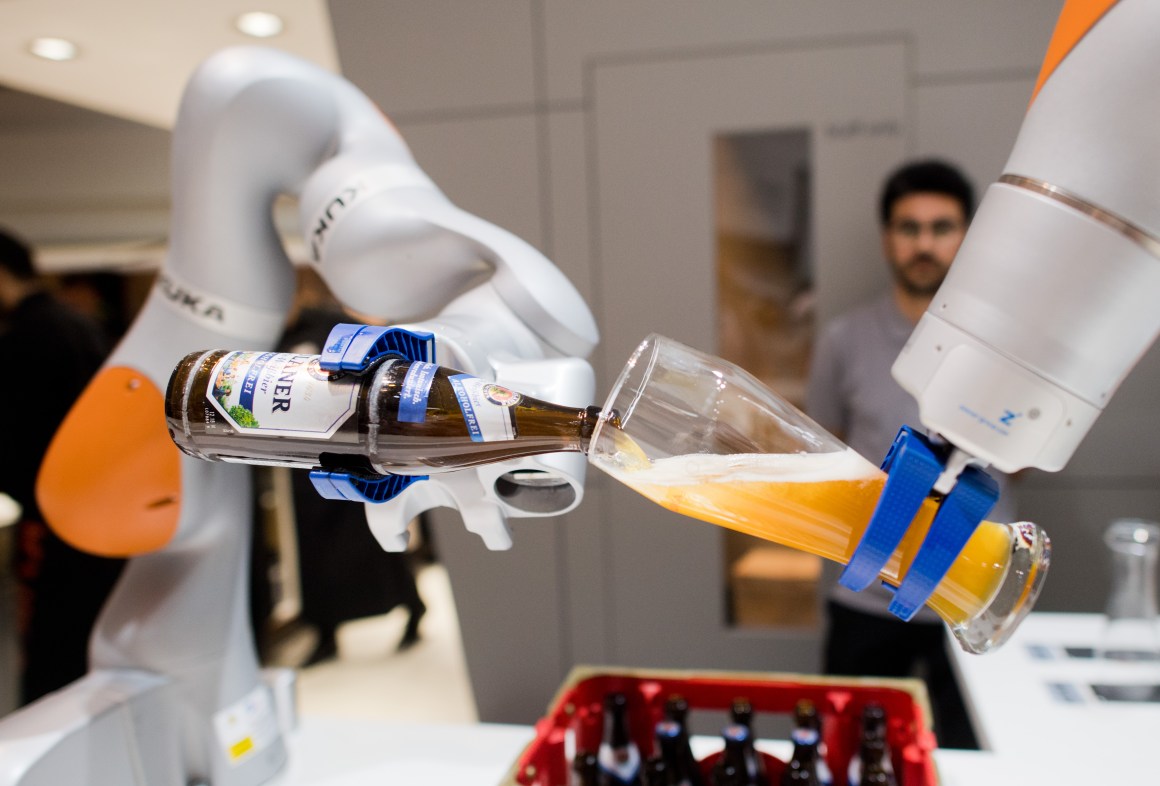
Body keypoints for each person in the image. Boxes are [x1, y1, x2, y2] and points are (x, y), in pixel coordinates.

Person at [806, 160, 1016, 749]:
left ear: (967, 236)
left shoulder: (1007, 348)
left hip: (970, 596)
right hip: (867, 598)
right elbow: (821, 454)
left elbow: (1025, 461)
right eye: (909, 227)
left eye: (941, 227)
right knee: (850, 754)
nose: (924, 243)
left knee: (972, 763)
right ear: (887, 237)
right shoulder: (843, 340)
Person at [0, 227, 125, 705]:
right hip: (98, 520)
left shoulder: (26, 340)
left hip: (55, 518)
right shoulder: (77, 326)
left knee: (55, 654)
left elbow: (16, 446)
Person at [274, 277, 427, 666]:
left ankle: (411, 606)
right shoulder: (281, 336)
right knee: (316, 550)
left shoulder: (333, 328)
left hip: (348, 450)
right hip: (307, 457)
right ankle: (326, 631)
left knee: (373, 539)